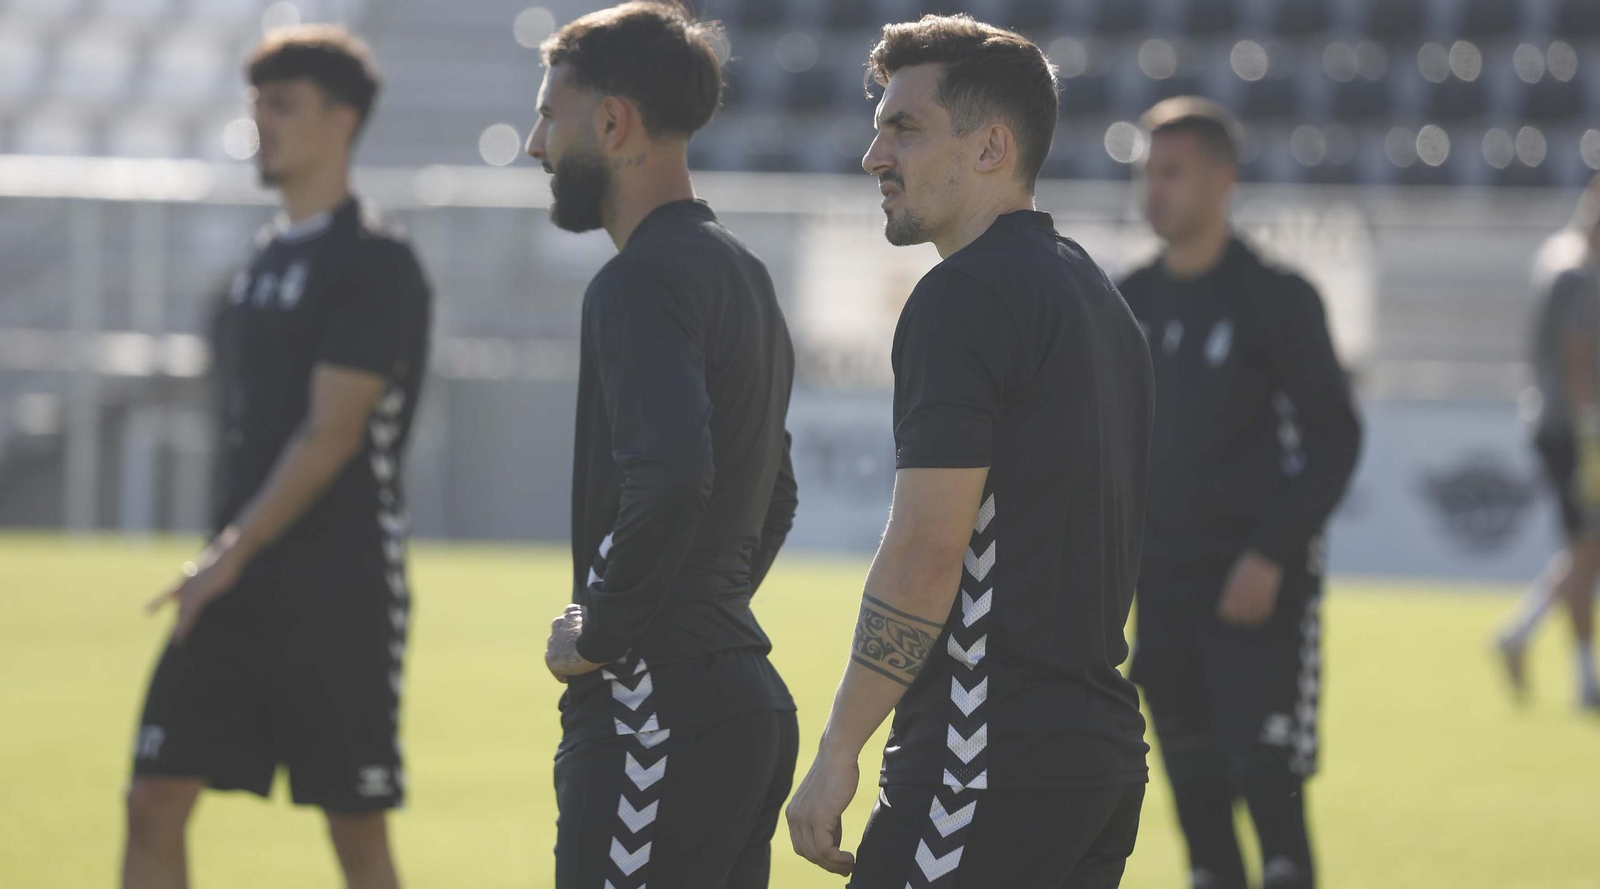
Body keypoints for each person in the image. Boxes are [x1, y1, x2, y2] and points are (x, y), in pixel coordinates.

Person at [786, 15, 1152, 888]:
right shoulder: (1099, 299)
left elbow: (926, 551)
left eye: (905, 129)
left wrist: (839, 746)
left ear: (991, 147)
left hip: (986, 759)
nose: (874, 156)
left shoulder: (964, 298)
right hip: (1094, 761)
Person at [125, 25, 432, 889]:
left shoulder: (375, 260)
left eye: (283, 105)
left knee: (355, 827)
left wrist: (230, 551)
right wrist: (230, 556)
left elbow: (331, 433)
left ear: (342, 120)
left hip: (339, 584)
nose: (260, 122)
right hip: (235, 575)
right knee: (153, 798)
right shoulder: (255, 263)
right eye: (257, 103)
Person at [525, 4, 800, 888]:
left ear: (613, 122)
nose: (535, 143)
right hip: (742, 704)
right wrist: (709, 614)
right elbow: (778, 492)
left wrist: (602, 633)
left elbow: (675, 474)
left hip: (652, 712)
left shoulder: (637, 282)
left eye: (549, 114)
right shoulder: (743, 273)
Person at [1118, 97, 1362, 889]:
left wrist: (1268, 553)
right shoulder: (1127, 301)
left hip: (1257, 595)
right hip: (1163, 594)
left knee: (1274, 814)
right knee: (1202, 832)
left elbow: (1334, 440)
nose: (1155, 189)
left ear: (1223, 180)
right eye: (1148, 172)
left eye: (1174, 172)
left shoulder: (1276, 297)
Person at [1496, 175, 1600, 710]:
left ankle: (1521, 632)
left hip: (1556, 422)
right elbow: (1577, 360)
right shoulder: (1578, 271)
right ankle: (1583, 675)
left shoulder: (1557, 256)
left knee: (1587, 548)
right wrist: (1591, 435)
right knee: (1586, 546)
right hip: (1570, 429)